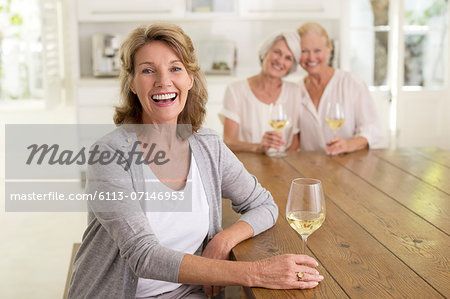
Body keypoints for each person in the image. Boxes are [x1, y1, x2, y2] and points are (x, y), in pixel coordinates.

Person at [67, 24, 323, 299]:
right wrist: (255, 272)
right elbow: (144, 255)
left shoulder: (207, 146)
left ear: (190, 78)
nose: (163, 82)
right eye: (148, 70)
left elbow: (264, 205)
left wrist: (225, 239)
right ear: (131, 83)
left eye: (175, 68)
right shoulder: (109, 154)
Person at [296, 22, 383, 155]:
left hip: (349, 165)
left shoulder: (351, 83)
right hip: (310, 169)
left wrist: (348, 145)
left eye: (317, 50)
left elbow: (373, 129)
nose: (311, 57)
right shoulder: (296, 90)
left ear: (329, 49)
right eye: (304, 51)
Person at [219, 32, 301, 154]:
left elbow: (295, 143)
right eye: (277, 52)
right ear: (265, 53)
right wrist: (258, 147)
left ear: (291, 66)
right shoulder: (236, 90)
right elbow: (228, 141)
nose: (280, 60)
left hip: (282, 166)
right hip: (245, 167)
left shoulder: (295, 91)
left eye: (288, 58)